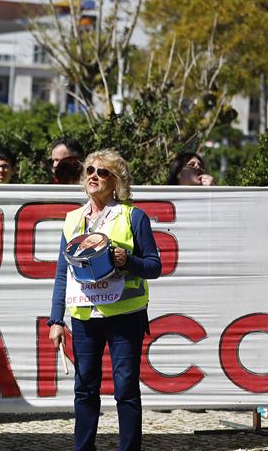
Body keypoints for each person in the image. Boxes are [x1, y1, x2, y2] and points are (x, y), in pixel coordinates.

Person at [47, 149, 162, 451]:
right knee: (84, 389)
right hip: (84, 316)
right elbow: (63, 273)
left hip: (125, 316)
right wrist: (56, 319)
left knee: (125, 389)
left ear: (117, 182)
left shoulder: (133, 216)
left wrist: (128, 262)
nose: (94, 176)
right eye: (89, 171)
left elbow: (155, 266)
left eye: (102, 172)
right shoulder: (72, 220)